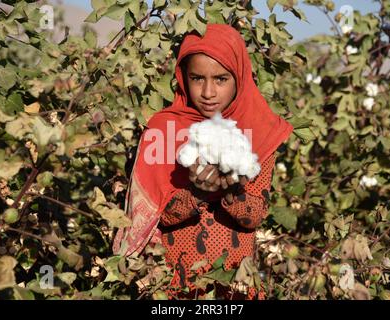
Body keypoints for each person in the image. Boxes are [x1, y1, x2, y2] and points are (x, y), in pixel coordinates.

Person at [112, 24, 294, 299]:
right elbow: (154, 217)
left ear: (240, 78)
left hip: (235, 287)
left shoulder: (261, 131)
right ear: (183, 77)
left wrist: (231, 190)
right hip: (173, 288)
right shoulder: (162, 131)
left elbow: (255, 216)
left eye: (221, 79)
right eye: (197, 78)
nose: (208, 92)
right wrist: (197, 192)